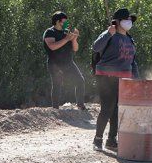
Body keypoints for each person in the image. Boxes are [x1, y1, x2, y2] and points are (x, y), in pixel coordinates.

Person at [91, 8, 139, 151]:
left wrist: (136, 79)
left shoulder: (129, 39)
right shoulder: (110, 35)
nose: (129, 22)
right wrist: (108, 33)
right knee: (107, 108)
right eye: (126, 19)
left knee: (118, 109)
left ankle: (111, 140)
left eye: (130, 19)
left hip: (124, 78)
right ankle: (97, 140)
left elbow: (132, 61)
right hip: (106, 76)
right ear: (117, 21)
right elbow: (96, 47)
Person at [43, 11, 86, 110]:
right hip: (55, 63)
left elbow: (75, 49)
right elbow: (52, 46)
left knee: (80, 80)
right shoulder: (49, 32)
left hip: (68, 62)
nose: (66, 24)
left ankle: (80, 105)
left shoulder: (66, 32)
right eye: (64, 21)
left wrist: (74, 39)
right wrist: (66, 39)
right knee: (57, 84)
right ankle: (55, 108)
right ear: (58, 21)